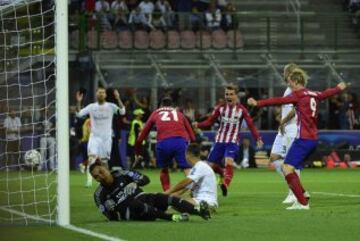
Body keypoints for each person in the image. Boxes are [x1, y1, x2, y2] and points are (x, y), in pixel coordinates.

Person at [247, 69, 347, 210]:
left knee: (287, 168)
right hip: (313, 139)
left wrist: (257, 103)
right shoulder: (314, 94)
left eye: (290, 82)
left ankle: (302, 203)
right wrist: (338, 88)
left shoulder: (298, 95)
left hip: (303, 139)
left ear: (295, 81)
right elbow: (327, 93)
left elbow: (278, 100)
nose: (290, 86)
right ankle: (303, 194)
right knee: (288, 167)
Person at [193, 84, 263, 196]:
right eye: (227, 94)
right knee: (210, 167)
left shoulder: (242, 110)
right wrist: (199, 124)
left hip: (233, 141)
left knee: (228, 161)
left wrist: (258, 138)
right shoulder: (220, 108)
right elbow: (210, 122)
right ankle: (221, 174)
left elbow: (251, 125)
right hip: (219, 141)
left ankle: (225, 184)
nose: (228, 96)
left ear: (236, 96)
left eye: (231, 94)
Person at [90, 160, 210, 222]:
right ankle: (172, 217)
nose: (100, 176)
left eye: (101, 171)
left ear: (105, 168)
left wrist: (137, 181)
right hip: (132, 212)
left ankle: (198, 210)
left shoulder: (123, 173)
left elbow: (146, 180)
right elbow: (110, 217)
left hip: (144, 197)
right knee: (134, 203)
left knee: (162, 197)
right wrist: (113, 210)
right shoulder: (99, 195)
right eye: (96, 177)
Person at [134, 97, 195, 191]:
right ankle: (195, 192)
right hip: (180, 142)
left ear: (161, 105)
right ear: (172, 106)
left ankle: (167, 195)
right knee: (187, 168)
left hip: (163, 143)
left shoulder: (155, 113)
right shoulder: (179, 114)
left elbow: (140, 138)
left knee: (164, 169)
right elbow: (193, 136)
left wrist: (138, 153)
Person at [269, 63, 307, 204]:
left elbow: (295, 109)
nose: (283, 74)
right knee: (274, 158)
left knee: (291, 163)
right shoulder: (288, 89)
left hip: (291, 128)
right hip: (283, 130)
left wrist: (283, 120)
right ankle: (296, 189)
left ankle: (295, 193)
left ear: (290, 72)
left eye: (284, 71)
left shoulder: (295, 89)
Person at [76, 87, 126, 187]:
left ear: (105, 95)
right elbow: (79, 114)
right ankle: (89, 181)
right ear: (96, 94)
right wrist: (78, 102)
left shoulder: (111, 106)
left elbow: (122, 112)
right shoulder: (91, 107)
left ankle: (106, 181)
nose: (101, 94)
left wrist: (118, 98)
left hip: (106, 138)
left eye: (103, 92)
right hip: (94, 137)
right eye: (99, 92)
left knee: (104, 161)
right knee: (92, 158)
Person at [165, 143, 218, 210]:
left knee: (174, 202)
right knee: (171, 201)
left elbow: (186, 182)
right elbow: (181, 191)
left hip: (205, 200)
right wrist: (164, 197)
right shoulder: (198, 167)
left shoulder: (200, 166)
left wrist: (167, 192)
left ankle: (203, 207)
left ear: (187, 155)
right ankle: (201, 209)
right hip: (201, 200)